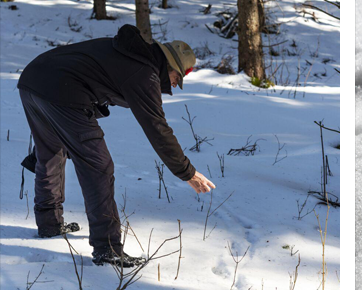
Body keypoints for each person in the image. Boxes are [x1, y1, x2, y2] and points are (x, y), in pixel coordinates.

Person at [17, 24, 216, 267]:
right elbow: (157, 128)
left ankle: (49, 223)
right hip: (62, 91)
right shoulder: (144, 72)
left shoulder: (127, 54)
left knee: (51, 152)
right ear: (170, 67)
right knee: (98, 166)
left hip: (32, 80)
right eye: (178, 78)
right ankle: (107, 248)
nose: (174, 85)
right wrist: (187, 172)